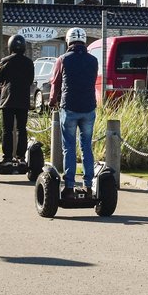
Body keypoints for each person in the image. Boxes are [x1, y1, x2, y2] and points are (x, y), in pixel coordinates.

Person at [49, 27, 99, 199]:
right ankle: (88, 186)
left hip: (69, 107)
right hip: (89, 108)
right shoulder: (93, 60)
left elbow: (55, 83)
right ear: (84, 41)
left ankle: (69, 186)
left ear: (68, 41)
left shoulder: (62, 59)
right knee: (86, 147)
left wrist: (51, 102)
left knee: (68, 147)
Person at [0, 34, 35, 163]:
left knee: (7, 130)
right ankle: (21, 157)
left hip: (7, 100)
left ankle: (7, 157)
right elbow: (30, 80)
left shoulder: (5, 61)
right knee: (21, 129)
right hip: (23, 100)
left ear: (10, 46)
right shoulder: (29, 62)